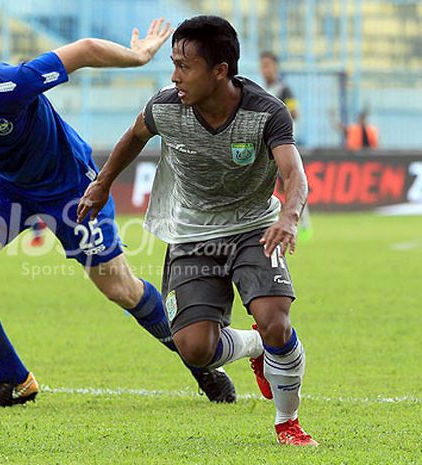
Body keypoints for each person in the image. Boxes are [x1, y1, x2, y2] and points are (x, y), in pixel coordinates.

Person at [0, 19, 237, 408]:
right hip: (6, 186)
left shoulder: (7, 85)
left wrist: (139, 55)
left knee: (120, 289)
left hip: (68, 185)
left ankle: (201, 365)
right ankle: (16, 380)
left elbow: (82, 51)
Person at [78, 16, 318, 446]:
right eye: (173, 64)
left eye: (184, 66)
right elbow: (134, 137)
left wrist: (289, 216)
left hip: (255, 228)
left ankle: (289, 423)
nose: (175, 76)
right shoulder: (167, 107)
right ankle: (254, 348)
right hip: (191, 233)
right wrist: (102, 184)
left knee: (275, 320)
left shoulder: (266, 114)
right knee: (194, 347)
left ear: (220, 70)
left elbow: (293, 174)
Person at [260, 51, 313, 241]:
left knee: (292, 184)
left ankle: (303, 224)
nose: (264, 69)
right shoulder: (262, 90)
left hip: (282, 145)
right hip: (265, 146)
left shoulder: (284, 90)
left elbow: (295, 113)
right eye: (262, 65)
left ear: (275, 67)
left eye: (267, 65)